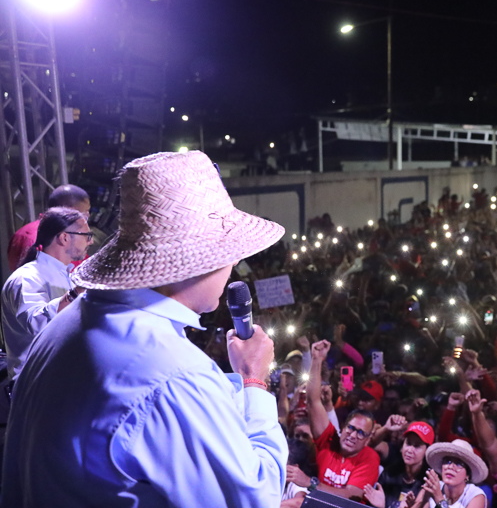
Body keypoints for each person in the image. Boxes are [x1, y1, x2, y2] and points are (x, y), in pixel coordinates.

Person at [1, 151, 288, 506]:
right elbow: (256, 499)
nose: (235, 263)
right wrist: (253, 380)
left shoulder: (65, 325)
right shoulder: (175, 377)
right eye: (233, 252)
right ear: (207, 260)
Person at [1, 206, 92, 380]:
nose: (90, 241)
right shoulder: (26, 277)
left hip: (58, 381)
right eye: (86, 236)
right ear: (65, 237)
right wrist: (76, 293)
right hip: (35, 385)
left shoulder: (68, 276)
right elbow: (37, 323)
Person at [308, 338, 380, 499]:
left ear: (368, 440)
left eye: (361, 433)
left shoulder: (369, 458)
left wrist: (309, 483)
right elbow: (313, 401)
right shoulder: (329, 441)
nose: (353, 435)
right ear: (343, 427)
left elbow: (350, 496)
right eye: (351, 428)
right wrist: (317, 359)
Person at [6, 183, 90, 271]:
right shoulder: (51, 237)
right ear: (69, 211)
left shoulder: (21, 233)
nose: (87, 217)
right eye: (85, 213)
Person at [365, 421, 435, 508]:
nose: (409, 450)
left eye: (417, 446)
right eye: (408, 443)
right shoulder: (389, 473)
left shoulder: (429, 481)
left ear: (427, 451)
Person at [414, 438, 488, 508]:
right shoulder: (433, 487)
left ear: (467, 475)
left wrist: (439, 498)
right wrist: (420, 502)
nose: (451, 467)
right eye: (447, 461)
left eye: (459, 464)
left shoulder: (475, 495)